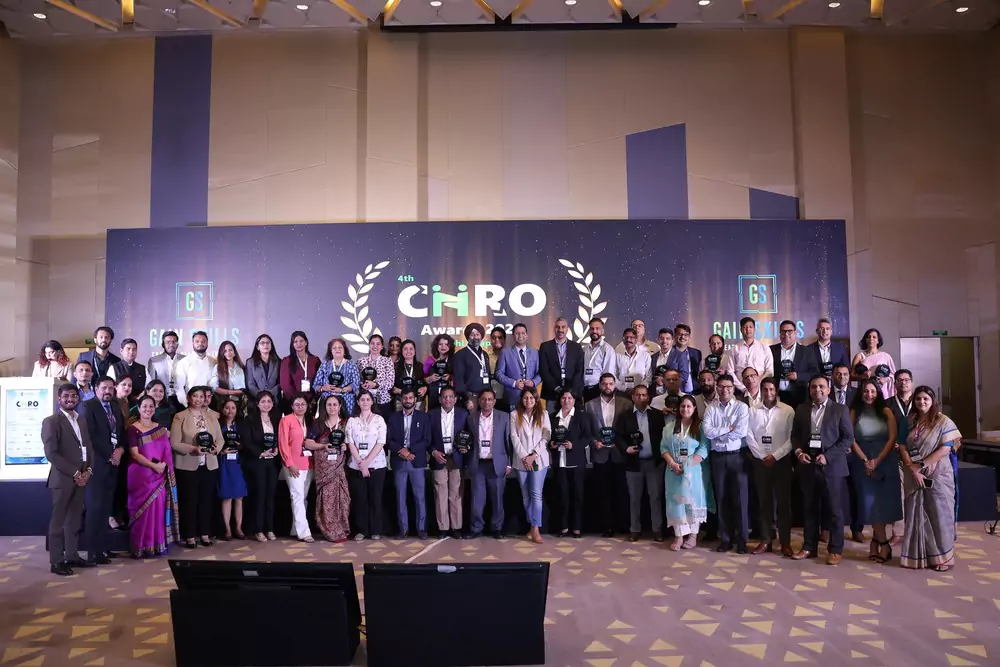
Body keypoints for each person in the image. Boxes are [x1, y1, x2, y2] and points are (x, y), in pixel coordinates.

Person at [791, 375, 854, 565]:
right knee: (809, 509)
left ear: (828, 389)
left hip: (832, 467)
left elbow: (848, 438)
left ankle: (835, 550)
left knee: (834, 511)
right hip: (808, 465)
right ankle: (809, 547)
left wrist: (828, 456)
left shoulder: (840, 409)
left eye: (821, 386)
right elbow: (795, 435)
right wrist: (799, 452)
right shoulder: (801, 409)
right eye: (813, 387)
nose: (817, 390)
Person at [899, 386, 961, 571]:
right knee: (916, 514)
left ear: (932, 401)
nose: (922, 402)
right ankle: (919, 557)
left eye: (926, 398)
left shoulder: (943, 421)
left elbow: (945, 449)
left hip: (938, 474)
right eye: (918, 399)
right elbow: (902, 446)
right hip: (914, 474)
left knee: (939, 515)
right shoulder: (908, 421)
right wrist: (913, 469)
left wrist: (921, 466)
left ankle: (943, 559)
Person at [42, 384, 94, 576]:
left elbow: (88, 447)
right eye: (66, 396)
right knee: (58, 522)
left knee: (74, 520)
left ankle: (72, 555)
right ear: (59, 399)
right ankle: (56, 561)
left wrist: (88, 470)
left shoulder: (81, 420)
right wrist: (75, 472)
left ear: (78, 398)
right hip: (63, 479)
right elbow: (51, 454)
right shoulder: (51, 421)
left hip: (82, 477)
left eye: (74, 396)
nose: (70, 399)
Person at [849, 379, 902, 564]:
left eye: (872, 391)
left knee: (883, 505)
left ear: (878, 393)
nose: (869, 395)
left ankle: (875, 541)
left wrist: (878, 460)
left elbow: (892, 437)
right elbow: (850, 438)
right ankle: (883, 544)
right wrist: (866, 460)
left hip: (885, 460)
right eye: (866, 391)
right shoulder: (854, 412)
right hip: (862, 461)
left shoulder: (886, 411)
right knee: (870, 503)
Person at [744, 377, 795, 556]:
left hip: (781, 462)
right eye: (765, 389)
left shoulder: (788, 410)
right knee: (764, 502)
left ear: (777, 391)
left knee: (783, 504)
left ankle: (785, 542)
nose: (768, 393)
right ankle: (766, 540)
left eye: (772, 389)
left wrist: (775, 456)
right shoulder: (752, 410)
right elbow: (748, 435)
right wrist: (762, 456)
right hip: (760, 462)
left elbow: (791, 438)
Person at [125, 395, 179, 558]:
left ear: (155, 409)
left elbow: (167, 452)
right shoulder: (132, 429)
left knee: (157, 511)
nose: (148, 409)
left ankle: (156, 545)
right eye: (144, 406)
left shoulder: (161, 430)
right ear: (139, 408)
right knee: (142, 513)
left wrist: (162, 467)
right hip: (140, 476)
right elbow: (134, 454)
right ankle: (140, 547)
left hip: (159, 476)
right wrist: (153, 466)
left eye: (151, 406)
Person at [703, 374, 751, 554]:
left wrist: (719, 435)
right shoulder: (711, 408)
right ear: (717, 388)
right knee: (722, 499)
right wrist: (727, 429)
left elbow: (740, 432)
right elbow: (707, 432)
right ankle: (725, 539)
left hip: (737, 457)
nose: (725, 390)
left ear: (733, 388)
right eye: (721, 386)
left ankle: (742, 541)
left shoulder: (741, 407)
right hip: (717, 458)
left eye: (728, 387)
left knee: (740, 500)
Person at [170, 386, 223, 548]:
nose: (199, 399)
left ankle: (205, 533)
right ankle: (190, 535)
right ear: (188, 398)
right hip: (188, 465)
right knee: (190, 501)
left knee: (206, 501)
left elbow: (220, 439)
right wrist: (193, 449)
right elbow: (174, 443)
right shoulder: (180, 416)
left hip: (209, 464)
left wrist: (215, 449)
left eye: (202, 396)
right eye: (195, 396)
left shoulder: (212, 416)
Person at [81, 376, 127, 565]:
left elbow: (121, 431)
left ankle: (103, 548)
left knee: (106, 509)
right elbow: (90, 436)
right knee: (94, 509)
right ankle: (93, 551)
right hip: (97, 465)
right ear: (96, 389)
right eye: (104, 388)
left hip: (114, 465)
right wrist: (110, 454)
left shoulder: (115, 406)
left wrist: (120, 449)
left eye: (110, 388)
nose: (108, 391)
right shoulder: (87, 406)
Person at [660, 395, 713, 551]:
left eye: (689, 406)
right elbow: (663, 447)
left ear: (694, 408)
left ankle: (693, 536)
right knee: (676, 503)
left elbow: (704, 448)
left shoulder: (700, 426)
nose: (685, 409)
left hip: (694, 472)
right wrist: (673, 463)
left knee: (693, 501)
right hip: (674, 470)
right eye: (683, 406)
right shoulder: (669, 427)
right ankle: (679, 536)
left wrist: (688, 466)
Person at [616, 385, 665, 543]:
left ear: (648, 397)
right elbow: (618, 437)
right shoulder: (625, 416)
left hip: (654, 463)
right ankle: (635, 530)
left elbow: (664, 437)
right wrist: (626, 448)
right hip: (633, 463)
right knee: (634, 498)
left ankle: (657, 530)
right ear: (633, 397)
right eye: (638, 395)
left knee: (655, 497)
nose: (641, 398)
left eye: (644, 395)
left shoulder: (657, 415)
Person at [585, 373, 631, 537]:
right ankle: (608, 527)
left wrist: (622, 444)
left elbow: (629, 429)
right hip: (600, 453)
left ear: (615, 385)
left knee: (622, 491)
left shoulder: (626, 404)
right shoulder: (589, 405)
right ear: (599, 385)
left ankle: (624, 525)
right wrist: (594, 442)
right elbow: (587, 431)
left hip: (619, 453)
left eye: (610, 383)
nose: (607, 387)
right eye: (604, 384)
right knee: (603, 493)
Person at [302, 394, 351, 543]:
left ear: (340, 406)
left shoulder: (346, 423)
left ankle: (342, 528)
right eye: (329, 404)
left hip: (340, 468)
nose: (332, 407)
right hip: (324, 469)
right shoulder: (319, 424)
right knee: (327, 499)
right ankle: (329, 530)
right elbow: (308, 443)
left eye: (335, 404)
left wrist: (346, 446)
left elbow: (352, 442)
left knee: (343, 498)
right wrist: (323, 446)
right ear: (324, 407)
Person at [465, 389, 511, 539]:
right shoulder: (471, 418)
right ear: (479, 401)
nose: (487, 402)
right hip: (478, 464)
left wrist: (509, 464)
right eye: (484, 399)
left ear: (494, 401)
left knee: (497, 499)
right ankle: (476, 528)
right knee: (477, 499)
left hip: (497, 464)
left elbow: (508, 442)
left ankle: (497, 528)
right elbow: (469, 441)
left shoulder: (504, 417)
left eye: (490, 399)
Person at [388, 388, 431, 539]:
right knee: (400, 497)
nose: (408, 401)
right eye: (405, 398)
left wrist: (410, 451)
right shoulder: (393, 417)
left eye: (410, 398)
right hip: (399, 461)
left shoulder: (423, 417)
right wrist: (401, 450)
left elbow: (427, 439)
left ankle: (421, 529)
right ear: (401, 399)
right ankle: (403, 529)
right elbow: (388, 440)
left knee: (420, 497)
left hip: (416, 461)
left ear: (415, 400)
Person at [345, 390, 388, 541]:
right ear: (358, 402)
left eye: (367, 399)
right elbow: (350, 442)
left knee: (375, 499)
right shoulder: (352, 421)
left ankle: (375, 530)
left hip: (377, 465)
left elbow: (381, 442)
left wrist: (367, 463)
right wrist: (361, 463)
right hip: (356, 466)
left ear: (372, 401)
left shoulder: (379, 420)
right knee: (360, 499)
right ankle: (361, 530)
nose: (365, 402)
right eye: (362, 399)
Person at [240, 390, 282, 542]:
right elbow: (246, 441)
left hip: (272, 463)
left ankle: (269, 528)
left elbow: (280, 439)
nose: (266, 404)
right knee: (259, 495)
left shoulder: (277, 420)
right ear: (257, 404)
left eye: (269, 401)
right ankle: (258, 529)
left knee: (271, 495)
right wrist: (260, 453)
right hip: (257, 462)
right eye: (263, 401)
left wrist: (277, 449)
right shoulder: (249, 420)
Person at [510, 388, 551, 544]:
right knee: (526, 496)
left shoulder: (544, 414)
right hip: (521, 461)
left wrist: (533, 455)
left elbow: (546, 437)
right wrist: (524, 457)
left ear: (536, 399)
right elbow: (514, 437)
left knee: (536, 495)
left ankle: (536, 528)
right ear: (521, 399)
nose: (528, 401)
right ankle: (532, 525)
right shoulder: (514, 415)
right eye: (526, 398)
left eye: (531, 398)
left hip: (539, 460)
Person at [548, 390, 591, 538]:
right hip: (559, 462)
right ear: (560, 400)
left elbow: (588, 437)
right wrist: (551, 444)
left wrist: (574, 445)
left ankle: (577, 527)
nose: (566, 401)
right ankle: (563, 526)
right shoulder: (552, 417)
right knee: (562, 496)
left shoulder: (582, 416)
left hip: (576, 461)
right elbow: (548, 437)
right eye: (564, 398)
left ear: (574, 400)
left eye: (569, 398)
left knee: (577, 496)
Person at [429, 386, 468, 538]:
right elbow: (427, 438)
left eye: (451, 396)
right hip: (439, 458)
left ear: (455, 399)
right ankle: (443, 528)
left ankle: (456, 527)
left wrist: (466, 447)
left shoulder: (463, 414)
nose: (448, 399)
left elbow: (469, 435)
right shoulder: (431, 415)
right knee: (440, 494)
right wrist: (433, 452)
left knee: (456, 494)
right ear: (440, 399)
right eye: (444, 396)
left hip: (456, 457)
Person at [279, 394, 315, 543]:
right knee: (297, 496)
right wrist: (289, 463)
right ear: (292, 406)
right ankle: (304, 532)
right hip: (293, 464)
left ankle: (296, 528)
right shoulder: (286, 420)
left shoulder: (310, 420)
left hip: (309, 463)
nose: (300, 407)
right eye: (297, 404)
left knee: (303, 497)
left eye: (303, 404)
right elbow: (282, 443)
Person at [887, 369, 915, 546]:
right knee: (898, 494)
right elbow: (883, 428)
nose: (903, 383)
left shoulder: (920, 400)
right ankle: (898, 532)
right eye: (899, 380)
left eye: (906, 380)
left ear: (911, 382)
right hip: (895, 455)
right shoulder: (888, 404)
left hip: (918, 455)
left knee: (917, 493)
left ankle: (915, 531)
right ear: (895, 383)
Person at [216, 397, 248, 540]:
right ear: (222, 409)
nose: (230, 411)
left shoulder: (242, 424)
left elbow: (247, 443)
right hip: (223, 462)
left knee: (239, 496)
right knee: (227, 496)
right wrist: (221, 451)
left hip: (238, 463)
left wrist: (241, 446)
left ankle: (239, 528)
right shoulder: (218, 424)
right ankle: (227, 529)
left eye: (233, 408)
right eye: (227, 408)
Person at [539, 317, 584, 415]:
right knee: (552, 420)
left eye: (563, 327)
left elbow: (579, 370)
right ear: (554, 329)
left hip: (571, 393)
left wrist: (571, 390)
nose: (560, 330)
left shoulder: (576, 347)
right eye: (557, 327)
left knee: (571, 420)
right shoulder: (545, 346)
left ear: (567, 329)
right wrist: (556, 387)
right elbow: (544, 370)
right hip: (552, 392)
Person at [496, 323, 542, 412]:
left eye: (523, 333)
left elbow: (540, 373)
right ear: (513, 336)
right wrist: (514, 383)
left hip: (531, 398)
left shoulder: (535, 352)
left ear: (527, 335)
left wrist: (533, 382)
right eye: (517, 333)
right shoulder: (505, 353)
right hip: (513, 397)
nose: (520, 335)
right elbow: (498, 374)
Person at [770, 321, 815, 409]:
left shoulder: (806, 351)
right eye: (783, 331)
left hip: (799, 396)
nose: (786, 334)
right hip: (777, 396)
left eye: (790, 331)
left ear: (795, 333)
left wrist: (798, 376)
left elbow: (815, 372)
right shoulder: (771, 350)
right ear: (780, 334)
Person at [314, 338, 361, 416]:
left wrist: (342, 390)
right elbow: (316, 385)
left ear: (344, 350)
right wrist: (323, 388)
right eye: (334, 348)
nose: (337, 349)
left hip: (346, 401)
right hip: (327, 401)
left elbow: (356, 384)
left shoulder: (352, 365)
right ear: (331, 351)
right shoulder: (324, 365)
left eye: (340, 347)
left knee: (345, 422)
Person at [726, 317, 773, 393]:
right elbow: (730, 371)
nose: (748, 329)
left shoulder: (764, 348)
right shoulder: (735, 349)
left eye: (750, 327)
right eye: (745, 327)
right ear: (741, 330)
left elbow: (769, 371)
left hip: (760, 390)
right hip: (740, 390)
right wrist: (742, 387)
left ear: (754, 329)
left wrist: (758, 385)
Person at [279, 331, 321, 413]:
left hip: (311, 403)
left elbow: (319, 381)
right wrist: (298, 402)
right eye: (295, 341)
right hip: (292, 403)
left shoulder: (315, 360)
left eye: (301, 341)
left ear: (306, 342)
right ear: (292, 344)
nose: (299, 344)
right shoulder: (287, 361)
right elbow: (286, 386)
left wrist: (313, 399)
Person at [174, 332, 216, 407]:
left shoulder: (213, 362)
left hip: (210, 404)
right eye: (197, 341)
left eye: (203, 341)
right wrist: (186, 404)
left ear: (207, 343)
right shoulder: (184, 362)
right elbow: (179, 387)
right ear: (193, 343)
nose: (200, 343)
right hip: (192, 404)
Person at [851, 328, 896, 399]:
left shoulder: (885, 356)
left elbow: (894, 375)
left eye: (874, 337)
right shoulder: (859, 356)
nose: (871, 339)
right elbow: (851, 376)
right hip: (865, 391)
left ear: (878, 340)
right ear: (865, 339)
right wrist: (863, 376)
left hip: (882, 392)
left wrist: (886, 379)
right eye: (868, 337)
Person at [357, 334, 395, 418]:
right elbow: (357, 380)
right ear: (369, 345)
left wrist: (376, 385)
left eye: (378, 344)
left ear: (382, 346)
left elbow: (390, 383)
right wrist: (362, 385)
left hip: (383, 401)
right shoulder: (361, 361)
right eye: (372, 343)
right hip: (365, 402)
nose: (375, 346)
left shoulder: (387, 361)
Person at [452, 323, 492, 399]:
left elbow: (488, 375)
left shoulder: (485, 354)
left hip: (485, 398)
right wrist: (466, 399)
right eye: (472, 335)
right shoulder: (460, 355)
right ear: (467, 337)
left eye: (477, 334)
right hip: (470, 397)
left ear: (481, 336)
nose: (475, 337)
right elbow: (459, 381)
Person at [582, 317, 616, 403]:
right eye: (592, 328)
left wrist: (603, 388)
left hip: (599, 390)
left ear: (602, 331)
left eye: (597, 328)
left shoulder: (608, 349)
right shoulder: (584, 349)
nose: (594, 331)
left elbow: (608, 373)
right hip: (584, 389)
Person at [146, 331, 185, 403]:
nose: (171, 344)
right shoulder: (154, 361)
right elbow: (151, 383)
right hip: (162, 399)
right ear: (163, 344)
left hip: (182, 399)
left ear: (177, 344)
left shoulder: (185, 359)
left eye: (174, 342)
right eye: (168, 342)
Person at [210, 341, 246, 413]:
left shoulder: (241, 367)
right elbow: (214, 387)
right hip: (224, 404)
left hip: (240, 404)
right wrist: (231, 392)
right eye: (225, 351)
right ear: (222, 353)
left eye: (230, 350)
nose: (228, 353)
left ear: (234, 352)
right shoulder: (217, 368)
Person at [246, 334, 281, 407]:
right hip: (256, 400)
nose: (265, 345)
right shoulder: (250, 362)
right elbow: (250, 384)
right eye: (262, 343)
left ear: (271, 346)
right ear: (257, 347)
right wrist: (261, 396)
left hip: (274, 400)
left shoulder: (278, 362)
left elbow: (280, 382)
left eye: (268, 342)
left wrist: (270, 394)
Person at [392, 339, 427, 411]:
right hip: (401, 402)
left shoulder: (420, 366)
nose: (408, 351)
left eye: (411, 349)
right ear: (401, 351)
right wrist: (401, 391)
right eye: (405, 349)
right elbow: (391, 387)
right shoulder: (395, 367)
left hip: (418, 402)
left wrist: (425, 388)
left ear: (415, 351)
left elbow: (425, 382)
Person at [615, 328, 652, 396]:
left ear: (636, 340)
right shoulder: (617, 356)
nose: (628, 340)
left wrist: (637, 389)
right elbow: (614, 376)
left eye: (631, 337)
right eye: (626, 337)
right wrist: (624, 388)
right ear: (623, 340)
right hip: (621, 393)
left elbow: (648, 377)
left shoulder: (645, 356)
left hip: (640, 394)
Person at [668, 324, 702, 394]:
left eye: (686, 335)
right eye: (680, 334)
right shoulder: (669, 353)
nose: (683, 337)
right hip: (676, 392)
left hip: (695, 392)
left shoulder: (696, 353)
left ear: (689, 337)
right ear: (674, 336)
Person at [423, 334, 455, 410]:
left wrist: (450, 377)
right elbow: (423, 379)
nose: (443, 347)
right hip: (433, 396)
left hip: (449, 398)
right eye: (440, 344)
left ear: (450, 346)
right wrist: (430, 378)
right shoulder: (430, 360)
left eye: (446, 344)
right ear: (436, 346)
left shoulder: (454, 360)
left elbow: (459, 378)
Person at [487, 326, 507, 404]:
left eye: (500, 337)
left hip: (507, 394)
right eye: (494, 337)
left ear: (504, 340)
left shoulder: (511, 355)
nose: (496, 340)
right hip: (490, 395)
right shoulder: (485, 356)